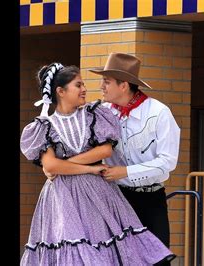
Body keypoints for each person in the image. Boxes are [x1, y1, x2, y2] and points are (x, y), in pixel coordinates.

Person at [20, 63, 175, 265]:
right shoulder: (45, 126)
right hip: (63, 197)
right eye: (79, 85)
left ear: (124, 86)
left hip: (102, 194)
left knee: (111, 253)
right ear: (61, 91)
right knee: (74, 251)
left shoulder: (96, 114)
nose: (88, 88)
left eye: (105, 82)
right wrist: (86, 167)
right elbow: (50, 166)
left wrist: (62, 165)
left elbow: (104, 150)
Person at [89, 53, 180, 265]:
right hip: (115, 198)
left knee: (157, 260)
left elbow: (168, 162)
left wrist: (126, 172)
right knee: (116, 258)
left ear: (124, 86)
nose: (101, 86)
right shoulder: (102, 113)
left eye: (107, 81)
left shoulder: (159, 113)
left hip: (151, 199)